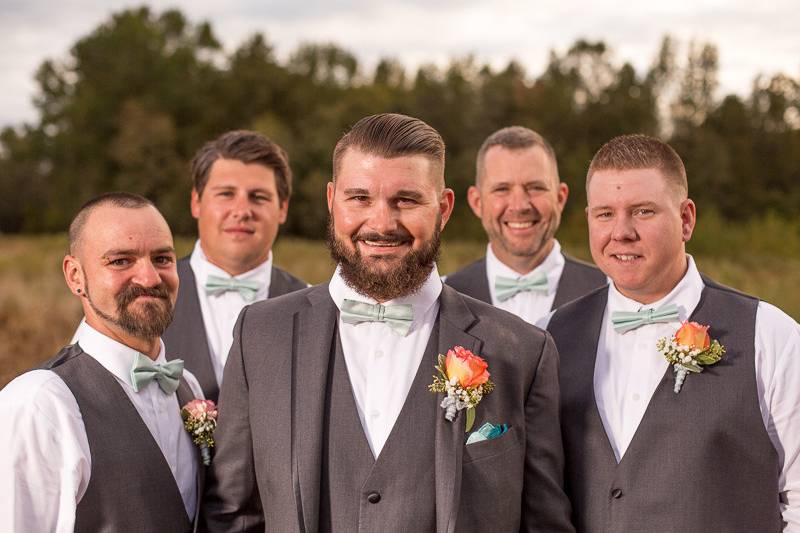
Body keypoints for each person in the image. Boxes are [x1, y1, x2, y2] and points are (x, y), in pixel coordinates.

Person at [202, 113, 574, 532]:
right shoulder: (260, 335)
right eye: (359, 198)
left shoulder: (521, 352)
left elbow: (544, 524)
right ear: (331, 200)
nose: (381, 223)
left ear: (444, 208)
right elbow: (231, 516)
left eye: (406, 200)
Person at [545, 134, 800, 532]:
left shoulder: (770, 337)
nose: (622, 232)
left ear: (686, 219)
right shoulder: (551, 336)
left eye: (643, 211)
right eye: (605, 214)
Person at [0, 192, 204, 532]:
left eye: (163, 258)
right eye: (121, 261)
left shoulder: (189, 388)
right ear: (75, 276)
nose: (150, 278)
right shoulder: (39, 404)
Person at [162, 130, 307, 402]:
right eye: (226, 194)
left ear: (283, 209)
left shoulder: (315, 309)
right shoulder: (146, 294)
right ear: (196, 202)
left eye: (258, 197)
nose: (242, 210)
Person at [446, 126, 605, 324]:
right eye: (502, 189)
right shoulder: (442, 299)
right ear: (477, 202)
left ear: (560, 198)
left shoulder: (611, 291)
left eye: (535, 188)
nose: (520, 206)